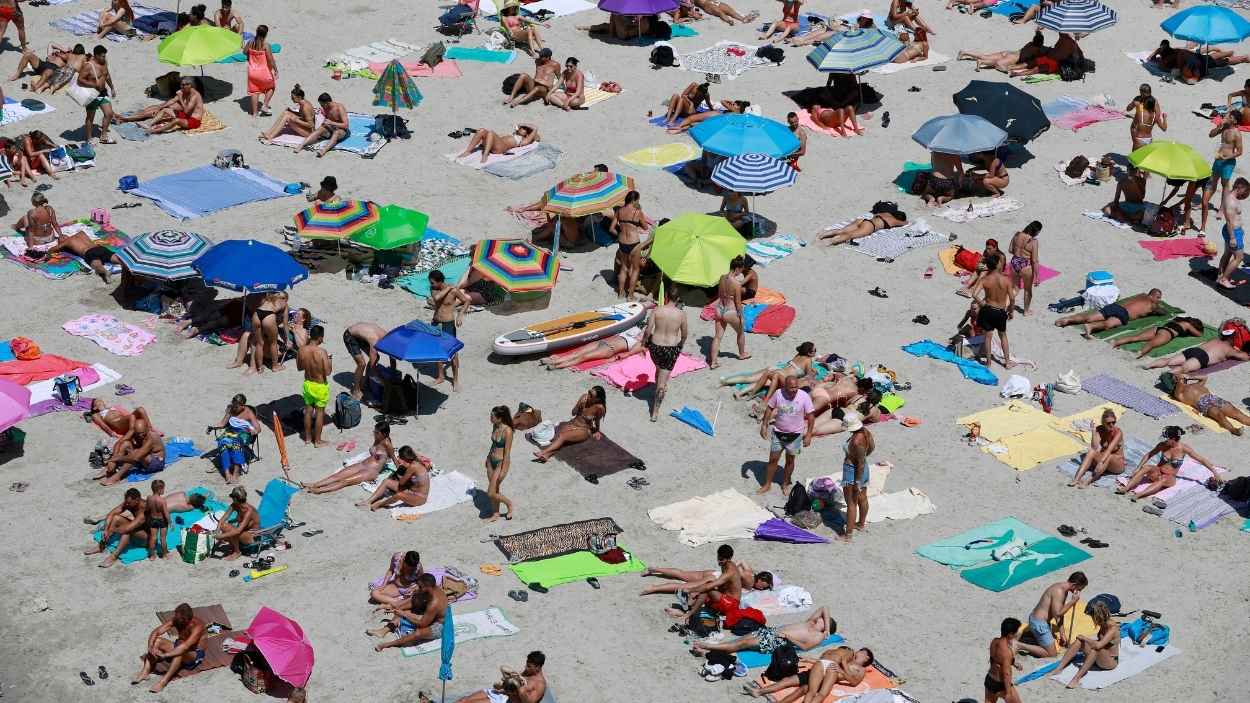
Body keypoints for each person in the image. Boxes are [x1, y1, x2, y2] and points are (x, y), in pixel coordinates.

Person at [757, 375, 815, 495]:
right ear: (785, 386)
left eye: (796, 387)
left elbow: (811, 416)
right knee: (773, 459)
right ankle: (767, 484)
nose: (794, 390)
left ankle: (785, 483)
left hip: (795, 435)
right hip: (778, 433)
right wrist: (764, 425)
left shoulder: (804, 396)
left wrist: (809, 434)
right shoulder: (778, 393)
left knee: (790, 460)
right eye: (791, 388)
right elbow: (769, 409)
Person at [302, 421, 397, 493]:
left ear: (384, 434)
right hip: (363, 464)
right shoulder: (378, 438)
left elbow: (395, 460)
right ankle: (315, 484)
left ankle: (319, 490)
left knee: (345, 481)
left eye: (377, 433)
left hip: (371, 471)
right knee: (337, 475)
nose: (374, 434)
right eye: (374, 431)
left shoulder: (388, 444)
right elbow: (373, 452)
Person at [691, 607, 836, 654]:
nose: (821, 618)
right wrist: (828, 628)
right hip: (771, 631)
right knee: (741, 640)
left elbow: (805, 647)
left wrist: (787, 637)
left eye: (824, 619)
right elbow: (824, 608)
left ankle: (706, 647)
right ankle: (710, 649)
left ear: (825, 625)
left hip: (778, 640)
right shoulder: (810, 622)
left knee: (743, 644)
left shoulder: (818, 636)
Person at [131, 603, 205, 694]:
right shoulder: (177, 620)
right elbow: (156, 631)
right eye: (176, 616)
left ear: (186, 619)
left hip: (194, 654)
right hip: (178, 645)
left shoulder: (197, 626)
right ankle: (145, 672)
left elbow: (185, 647)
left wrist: (165, 655)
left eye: (179, 618)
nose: (175, 619)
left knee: (179, 652)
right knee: (157, 641)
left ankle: (163, 681)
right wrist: (150, 646)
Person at [642, 280, 687, 421]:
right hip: (671, 348)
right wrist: (681, 345)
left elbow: (648, 330)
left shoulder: (657, 311)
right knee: (662, 383)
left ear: (666, 296)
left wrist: (644, 343)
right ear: (678, 298)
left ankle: (658, 385)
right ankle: (655, 412)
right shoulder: (681, 314)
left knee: (658, 367)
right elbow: (684, 334)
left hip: (655, 346)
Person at [639, 545, 759, 596]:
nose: (761, 588)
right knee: (683, 586)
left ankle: (653, 569)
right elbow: (732, 580)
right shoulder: (750, 581)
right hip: (715, 579)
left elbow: (740, 563)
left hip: (713, 573)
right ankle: (654, 588)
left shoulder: (744, 569)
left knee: (682, 574)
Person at [369, 573, 448, 651]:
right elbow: (414, 602)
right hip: (430, 615)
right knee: (401, 610)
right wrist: (398, 609)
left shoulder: (434, 603)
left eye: (420, 587)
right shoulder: (432, 589)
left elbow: (422, 624)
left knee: (417, 633)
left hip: (439, 625)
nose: (419, 588)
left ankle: (387, 644)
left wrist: (404, 614)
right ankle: (384, 631)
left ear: (428, 587)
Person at [1017, 572, 1086, 658]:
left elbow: (1060, 615)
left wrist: (1062, 633)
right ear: (1074, 585)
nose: (1078, 592)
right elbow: (1058, 613)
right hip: (1039, 624)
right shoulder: (1059, 592)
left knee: (1050, 642)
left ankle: (1031, 637)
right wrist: (1073, 601)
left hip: (1037, 620)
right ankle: (1019, 645)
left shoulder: (1062, 588)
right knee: (1051, 653)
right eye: (1079, 589)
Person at [1051, 602, 1120, 689]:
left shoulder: (1112, 628)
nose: (1093, 620)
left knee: (1095, 648)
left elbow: (1099, 645)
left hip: (1110, 661)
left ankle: (1076, 678)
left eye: (1093, 617)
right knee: (1079, 641)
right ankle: (1059, 668)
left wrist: (1085, 638)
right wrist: (1083, 639)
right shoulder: (1103, 624)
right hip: (1099, 658)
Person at [720, 342, 818, 402]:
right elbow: (809, 375)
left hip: (776, 369)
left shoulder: (798, 355)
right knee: (759, 383)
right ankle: (741, 393)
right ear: (809, 353)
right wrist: (814, 372)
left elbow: (795, 365)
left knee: (749, 378)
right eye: (815, 350)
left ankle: (726, 381)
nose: (815, 352)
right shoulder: (808, 360)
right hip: (780, 376)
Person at [532, 386, 606, 462]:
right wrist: (579, 405)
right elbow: (573, 412)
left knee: (563, 436)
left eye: (591, 395)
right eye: (589, 392)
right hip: (572, 423)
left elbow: (597, 421)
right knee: (559, 439)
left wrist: (597, 431)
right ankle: (547, 456)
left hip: (584, 429)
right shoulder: (584, 397)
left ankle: (543, 452)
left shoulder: (599, 408)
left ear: (597, 399)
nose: (588, 395)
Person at [1054, 289, 1166, 338]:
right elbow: (1162, 312)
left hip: (1116, 306)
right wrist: (1160, 307)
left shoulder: (1140, 296)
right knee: (1108, 324)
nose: (1159, 300)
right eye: (1159, 298)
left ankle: (1068, 319)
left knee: (1090, 317)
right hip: (1124, 314)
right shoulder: (1152, 305)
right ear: (1154, 296)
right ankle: (1091, 327)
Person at [969, 253, 1016, 368]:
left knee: (988, 337)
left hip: (988, 310)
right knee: (1003, 336)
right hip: (1000, 311)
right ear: (997, 265)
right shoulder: (1006, 280)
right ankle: (1007, 362)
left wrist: (982, 304)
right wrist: (1011, 310)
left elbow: (974, 294)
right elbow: (1012, 298)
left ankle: (989, 363)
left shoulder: (985, 279)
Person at [1168, 372, 1250, 436]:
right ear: (1175, 381)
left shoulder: (1195, 384)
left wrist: (1189, 377)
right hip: (1202, 403)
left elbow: (1204, 377)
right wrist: (1179, 380)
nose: (1181, 377)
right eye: (1176, 377)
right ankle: (1233, 430)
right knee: (1219, 415)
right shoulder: (1179, 394)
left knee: (1236, 412)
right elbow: (1179, 389)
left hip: (1212, 397)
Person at [84, 487, 148, 568]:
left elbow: (127, 529)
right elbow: (111, 514)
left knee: (127, 531)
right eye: (126, 502)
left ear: (137, 500)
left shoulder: (144, 510)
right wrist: (106, 529)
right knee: (116, 518)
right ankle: (101, 546)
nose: (127, 505)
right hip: (138, 529)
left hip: (146, 539)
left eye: (129, 503)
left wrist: (112, 530)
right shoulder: (130, 502)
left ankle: (114, 557)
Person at [208, 393, 262, 483]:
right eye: (234, 405)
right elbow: (222, 424)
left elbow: (258, 428)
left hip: (244, 432)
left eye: (237, 407)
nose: (234, 408)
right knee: (223, 443)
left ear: (243, 406)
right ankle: (227, 473)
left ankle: (236, 472)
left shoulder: (248, 412)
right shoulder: (230, 409)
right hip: (231, 431)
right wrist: (212, 427)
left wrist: (252, 432)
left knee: (235, 445)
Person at [430, 269, 470, 391]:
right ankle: (441, 376)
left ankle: (455, 380)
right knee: (437, 350)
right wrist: (448, 288)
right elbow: (437, 299)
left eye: (432, 282)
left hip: (448, 323)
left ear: (439, 281)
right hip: (436, 322)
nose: (431, 285)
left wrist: (460, 314)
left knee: (452, 351)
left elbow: (467, 301)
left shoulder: (454, 291)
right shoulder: (435, 290)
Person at [454, 652, 547, 703]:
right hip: (502, 693)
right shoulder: (528, 672)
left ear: (538, 667)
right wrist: (505, 683)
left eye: (529, 666)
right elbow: (512, 685)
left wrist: (520, 689)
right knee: (463, 700)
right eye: (527, 665)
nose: (525, 668)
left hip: (505, 700)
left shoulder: (539, 684)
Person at [708, 256, 750, 368]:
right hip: (729, 311)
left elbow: (720, 294)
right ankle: (742, 354)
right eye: (741, 270)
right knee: (740, 332)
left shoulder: (722, 278)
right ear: (737, 268)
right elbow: (738, 302)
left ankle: (713, 362)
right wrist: (741, 316)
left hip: (719, 309)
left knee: (717, 337)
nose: (740, 273)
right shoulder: (736, 284)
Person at [359, 446, 431, 511]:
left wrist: (400, 475)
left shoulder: (413, 467)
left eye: (399, 457)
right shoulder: (415, 462)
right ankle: (368, 501)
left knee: (398, 495)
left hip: (419, 497)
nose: (398, 459)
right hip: (410, 490)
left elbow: (401, 483)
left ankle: (380, 505)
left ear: (405, 458)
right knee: (387, 481)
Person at [540, 324, 644, 369]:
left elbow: (630, 353)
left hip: (609, 349)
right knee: (577, 352)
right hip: (603, 342)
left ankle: (556, 365)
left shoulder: (642, 342)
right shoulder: (636, 329)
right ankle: (556, 360)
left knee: (583, 357)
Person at [95, 419, 164, 485]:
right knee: (125, 444)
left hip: (155, 462)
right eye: (138, 434)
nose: (140, 436)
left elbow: (135, 458)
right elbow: (119, 442)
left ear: (147, 429)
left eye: (142, 434)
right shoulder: (135, 431)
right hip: (143, 458)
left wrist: (117, 458)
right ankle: (110, 469)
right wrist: (113, 459)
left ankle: (117, 477)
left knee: (135, 453)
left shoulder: (151, 438)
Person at [1069, 409, 1125, 488]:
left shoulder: (1118, 432)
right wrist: (1093, 431)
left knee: (1109, 456)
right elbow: (1094, 447)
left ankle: (1088, 481)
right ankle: (1076, 479)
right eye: (1108, 423)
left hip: (1117, 464)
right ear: (1103, 423)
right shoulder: (1100, 429)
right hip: (1104, 461)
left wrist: (1100, 462)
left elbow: (1109, 450)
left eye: (1114, 422)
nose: (1112, 425)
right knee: (1091, 451)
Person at [840, 411, 873, 542]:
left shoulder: (856, 441)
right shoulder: (866, 432)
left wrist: (856, 483)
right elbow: (872, 448)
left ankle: (848, 535)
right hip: (864, 469)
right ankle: (861, 524)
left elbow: (859, 464)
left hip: (853, 472)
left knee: (851, 503)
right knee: (863, 498)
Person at [611, 191, 651, 298]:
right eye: (638, 200)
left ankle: (620, 293)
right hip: (634, 243)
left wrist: (619, 234)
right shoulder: (637, 212)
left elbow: (611, 228)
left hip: (622, 242)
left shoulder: (619, 211)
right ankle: (630, 295)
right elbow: (645, 227)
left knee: (624, 267)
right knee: (635, 269)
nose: (638, 202)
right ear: (634, 200)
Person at [296, 325, 331, 447]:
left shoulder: (301, 350)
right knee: (320, 413)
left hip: (308, 383)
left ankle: (307, 438)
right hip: (320, 386)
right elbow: (327, 372)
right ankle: (317, 441)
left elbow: (300, 368)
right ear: (320, 338)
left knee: (308, 411)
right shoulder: (322, 352)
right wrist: (329, 360)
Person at [77, 45, 117, 144]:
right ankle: (89, 139)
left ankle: (103, 136)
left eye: (105, 56)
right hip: (92, 94)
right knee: (90, 117)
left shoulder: (104, 63)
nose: (104, 58)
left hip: (103, 93)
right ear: (96, 56)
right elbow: (80, 80)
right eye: (102, 56)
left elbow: (106, 75)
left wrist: (112, 87)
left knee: (109, 114)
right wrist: (93, 84)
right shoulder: (88, 66)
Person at [1145, 336, 1250, 373]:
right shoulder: (1229, 350)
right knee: (1183, 368)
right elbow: (1245, 357)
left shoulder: (1215, 339)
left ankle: (1148, 365)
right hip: (1203, 357)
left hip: (1194, 350)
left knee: (1169, 360)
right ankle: (1169, 374)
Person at [1111, 316, 1203, 359]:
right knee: (1151, 344)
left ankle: (1115, 342)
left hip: (1158, 328)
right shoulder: (1187, 325)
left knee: (1135, 337)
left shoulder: (1178, 319)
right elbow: (1199, 334)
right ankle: (1137, 354)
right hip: (1167, 333)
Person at [10, 43, 86, 94]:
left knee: (48, 71)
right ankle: (17, 74)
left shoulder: (68, 57)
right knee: (28, 55)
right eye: (63, 50)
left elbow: (73, 64)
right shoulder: (53, 55)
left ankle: (36, 87)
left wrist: (66, 52)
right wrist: (63, 49)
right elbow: (51, 43)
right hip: (42, 64)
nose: (64, 51)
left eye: (68, 50)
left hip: (52, 69)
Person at [818, 201, 906, 245]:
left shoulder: (886, 213)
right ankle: (831, 241)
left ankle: (823, 235)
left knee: (842, 230)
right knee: (850, 235)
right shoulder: (894, 220)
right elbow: (905, 223)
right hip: (870, 226)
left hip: (863, 220)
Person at [1216, 177, 1250, 288]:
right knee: (1239, 257)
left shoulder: (1232, 198)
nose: (1245, 194)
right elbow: (1230, 221)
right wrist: (1233, 237)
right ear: (1240, 187)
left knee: (1227, 253)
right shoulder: (1230, 201)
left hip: (1233, 231)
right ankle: (1224, 279)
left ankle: (1220, 276)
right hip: (1233, 232)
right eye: (1245, 190)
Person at [483, 406, 515, 521]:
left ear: (500, 418)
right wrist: (487, 458)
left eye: (492, 417)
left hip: (501, 462)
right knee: (495, 490)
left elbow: (507, 453)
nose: (490, 418)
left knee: (490, 493)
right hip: (491, 460)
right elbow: (493, 445)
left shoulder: (508, 431)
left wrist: (504, 470)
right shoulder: (495, 426)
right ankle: (496, 513)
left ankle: (509, 504)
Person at [958, 31, 1044, 74]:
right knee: (999, 65)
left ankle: (965, 52)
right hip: (1013, 58)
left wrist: (1038, 32)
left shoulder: (1030, 43)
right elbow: (1034, 58)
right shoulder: (1036, 49)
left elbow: (1037, 36)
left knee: (985, 56)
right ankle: (981, 62)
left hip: (1008, 52)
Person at [343, 322, 387, 400]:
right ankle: (356, 390)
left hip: (360, 335)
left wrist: (393, 370)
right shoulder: (374, 341)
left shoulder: (387, 336)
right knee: (361, 364)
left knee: (376, 358)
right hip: (349, 335)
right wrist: (381, 381)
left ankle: (366, 382)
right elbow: (373, 368)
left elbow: (391, 354)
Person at [298, 92, 350, 157]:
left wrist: (332, 123)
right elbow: (327, 120)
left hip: (342, 130)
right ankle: (302, 145)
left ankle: (324, 151)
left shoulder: (339, 108)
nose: (321, 106)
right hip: (331, 128)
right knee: (320, 129)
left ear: (327, 103)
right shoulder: (324, 109)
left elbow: (346, 125)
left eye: (322, 105)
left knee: (336, 133)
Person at [456, 123, 539, 163]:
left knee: (491, 132)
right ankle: (468, 151)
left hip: (500, 149)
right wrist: (520, 125)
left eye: (525, 129)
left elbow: (535, 129)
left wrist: (526, 126)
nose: (522, 128)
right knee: (482, 130)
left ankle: (485, 155)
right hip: (494, 144)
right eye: (522, 128)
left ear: (527, 134)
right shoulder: (513, 134)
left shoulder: (523, 140)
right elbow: (517, 125)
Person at [1007, 221, 1042, 316]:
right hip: (1026, 265)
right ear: (1037, 231)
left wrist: (1019, 252)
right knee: (1027, 290)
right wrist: (1037, 276)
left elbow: (1010, 250)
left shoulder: (1017, 234)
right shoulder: (1034, 241)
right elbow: (1034, 260)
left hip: (1014, 262)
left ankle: (1005, 304)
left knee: (1015, 288)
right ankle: (1026, 311)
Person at [215, 485, 258, 560]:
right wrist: (217, 531)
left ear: (235, 499)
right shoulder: (235, 505)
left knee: (230, 529)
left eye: (232, 498)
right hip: (243, 532)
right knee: (223, 525)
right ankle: (234, 547)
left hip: (252, 536)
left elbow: (238, 531)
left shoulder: (248, 510)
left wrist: (220, 536)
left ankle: (237, 552)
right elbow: (222, 520)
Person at [985, 618, 1023, 703]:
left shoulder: (994, 641)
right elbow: (1006, 673)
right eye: (1016, 632)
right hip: (1001, 684)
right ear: (1010, 634)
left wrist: (1013, 662)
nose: (1017, 634)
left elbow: (996, 659)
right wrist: (1008, 693)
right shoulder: (1007, 652)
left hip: (990, 680)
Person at [244, 24, 277, 117]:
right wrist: (276, 70)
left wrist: (249, 58)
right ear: (266, 34)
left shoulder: (250, 42)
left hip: (252, 72)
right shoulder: (266, 45)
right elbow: (270, 59)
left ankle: (254, 114)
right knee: (272, 87)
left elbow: (244, 52)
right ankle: (265, 105)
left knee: (255, 91)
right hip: (263, 72)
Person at [85, 398, 156, 440]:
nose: (100, 401)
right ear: (95, 407)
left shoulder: (111, 408)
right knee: (131, 416)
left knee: (140, 409)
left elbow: (123, 414)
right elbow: (102, 425)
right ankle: (132, 434)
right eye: (97, 402)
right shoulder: (96, 415)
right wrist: (112, 433)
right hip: (118, 425)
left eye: (101, 400)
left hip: (124, 421)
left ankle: (150, 429)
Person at [667, 99, 749, 133]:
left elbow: (722, 101)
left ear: (738, 106)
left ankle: (679, 127)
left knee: (692, 118)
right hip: (719, 122)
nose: (732, 104)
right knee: (695, 124)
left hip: (717, 115)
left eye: (734, 104)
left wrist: (730, 101)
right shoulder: (739, 113)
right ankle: (680, 130)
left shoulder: (735, 110)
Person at [145, 479, 173, 560]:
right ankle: (164, 554)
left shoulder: (149, 498)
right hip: (162, 520)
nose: (164, 490)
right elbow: (166, 513)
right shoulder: (162, 501)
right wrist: (170, 522)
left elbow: (147, 509)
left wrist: (147, 516)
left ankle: (152, 555)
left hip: (153, 519)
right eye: (163, 488)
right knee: (163, 538)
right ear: (160, 489)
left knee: (153, 538)